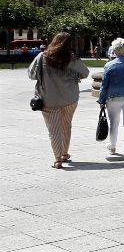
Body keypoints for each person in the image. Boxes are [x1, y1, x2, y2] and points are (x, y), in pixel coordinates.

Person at [28, 33, 90, 169]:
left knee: (53, 129)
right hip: (70, 98)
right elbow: (85, 73)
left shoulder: (42, 57)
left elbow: (31, 75)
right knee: (66, 124)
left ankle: (57, 159)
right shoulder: (72, 58)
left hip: (49, 98)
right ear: (70, 44)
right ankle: (64, 153)